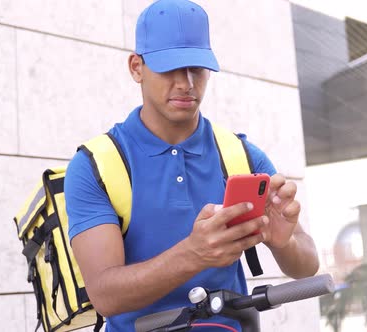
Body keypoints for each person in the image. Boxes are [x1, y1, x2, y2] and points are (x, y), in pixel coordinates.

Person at [65, 0, 319, 330]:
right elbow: (104, 295)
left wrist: (283, 242)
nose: (186, 83)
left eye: (197, 69)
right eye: (170, 67)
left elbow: (307, 266)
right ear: (136, 67)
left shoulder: (242, 156)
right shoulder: (95, 166)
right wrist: (193, 254)